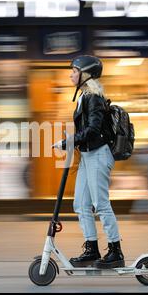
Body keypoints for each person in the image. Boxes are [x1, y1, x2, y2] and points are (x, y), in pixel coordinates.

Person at [54, 55, 124, 269]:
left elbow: (93, 130)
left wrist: (69, 141)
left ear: (86, 74)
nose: (71, 74)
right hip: (88, 155)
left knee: (100, 204)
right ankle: (92, 250)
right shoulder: (85, 96)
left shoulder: (94, 96)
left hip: (99, 155)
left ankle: (115, 251)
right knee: (81, 204)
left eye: (74, 70)